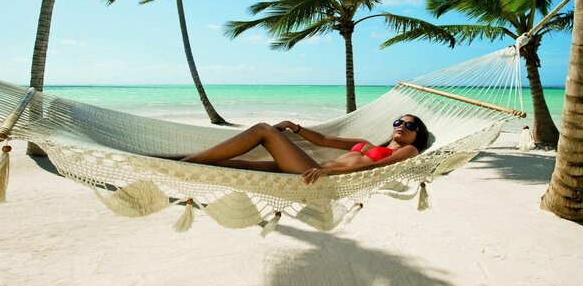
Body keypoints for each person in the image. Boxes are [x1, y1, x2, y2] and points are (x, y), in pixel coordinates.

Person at [181, 115, 429, 185]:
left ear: (418, 134)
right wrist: (293, 126)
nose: (402, 127)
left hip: (319, 174)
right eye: (399, 122)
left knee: (263, 130)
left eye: (410, 125)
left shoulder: (408, 152)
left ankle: (188, 160)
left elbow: (377, 167)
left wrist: (329, 174)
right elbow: (322, 139)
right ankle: (178, 161)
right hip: (312, 169)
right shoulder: (367, 143)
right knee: (232, 165)